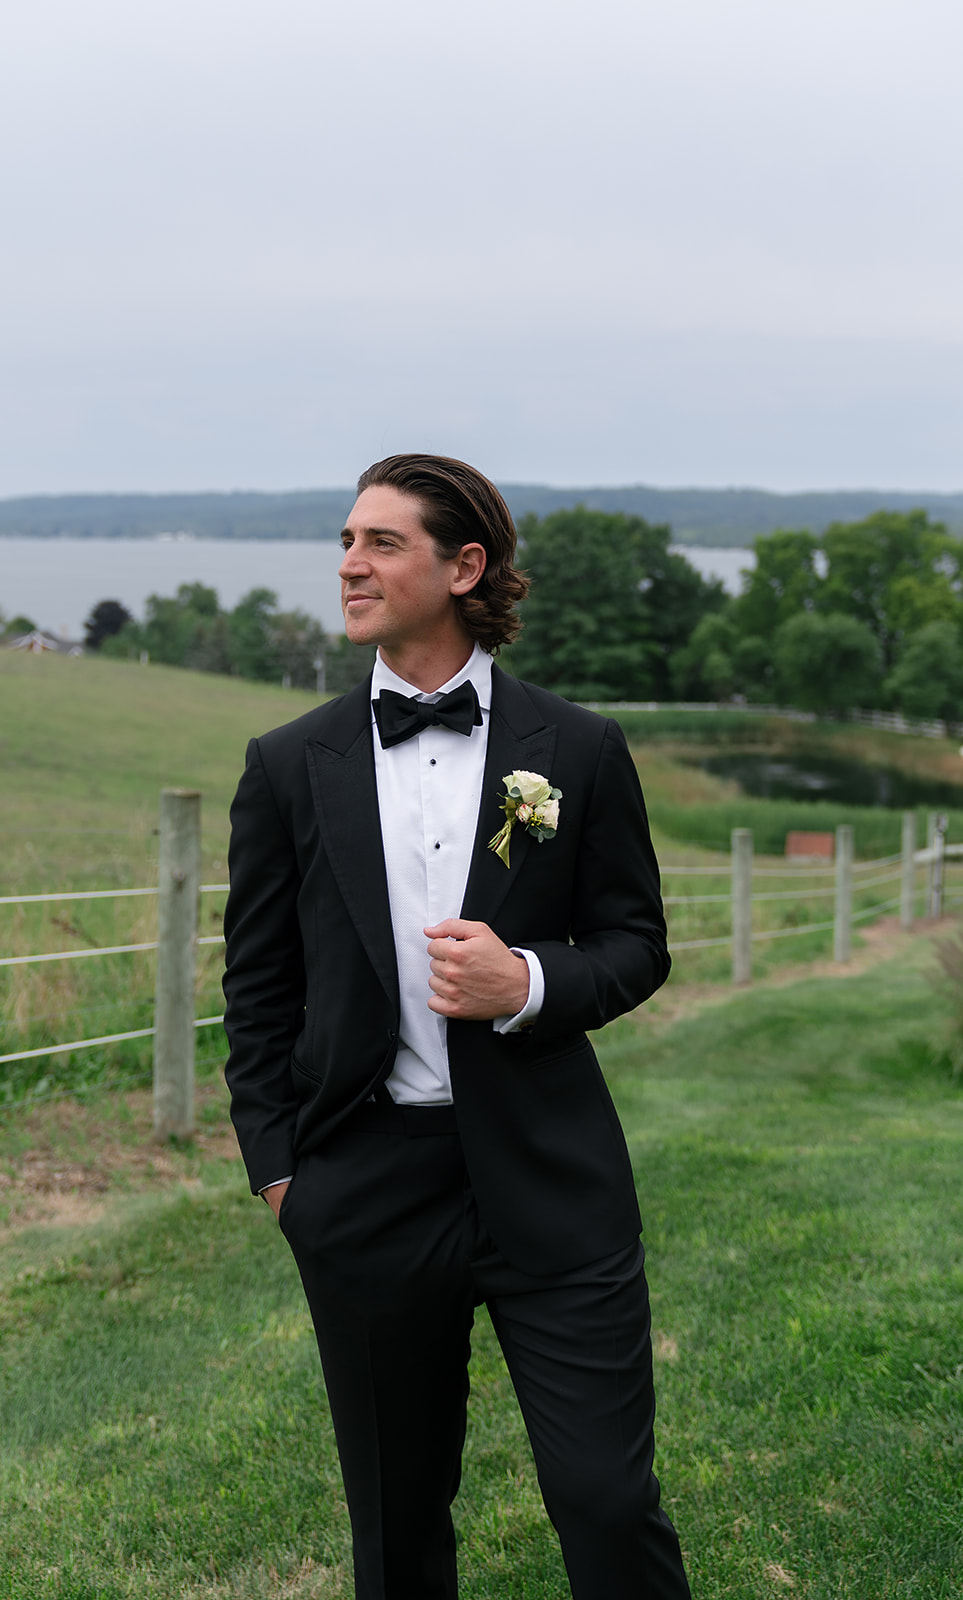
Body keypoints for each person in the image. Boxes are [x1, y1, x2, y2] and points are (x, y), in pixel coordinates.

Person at [223, 453, 690, 1600]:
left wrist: (526, 980)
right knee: (394, 1518)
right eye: (344, 542)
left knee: (604, 1497)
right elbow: (257, 989)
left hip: (549, 1171)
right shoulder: (287, 765)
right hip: (366, 1184)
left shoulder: (576, 748)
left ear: (462, 565)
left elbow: (633, 945)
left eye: (380, 542)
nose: (349, 565)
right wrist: (284, 1175)